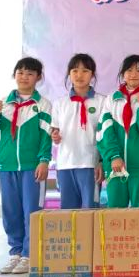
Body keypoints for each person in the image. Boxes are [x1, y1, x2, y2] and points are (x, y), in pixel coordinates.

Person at [0, 56, 52, 275]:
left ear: (38, 77)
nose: (24, 77)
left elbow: (46, 137)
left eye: (30, 73)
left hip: (32, 167)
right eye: (20, 72)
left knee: (32, 211)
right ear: (14, 75)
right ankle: (15, 252)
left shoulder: (43, 104)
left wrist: (44, 161)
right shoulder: (3, 103)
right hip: (7, 166)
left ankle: (29, 255)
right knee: (11, 211)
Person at [96, 55, 139, 208]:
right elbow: (104, 131)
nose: (133, 74)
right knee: (115, 212)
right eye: (129, 70)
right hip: (115, 165)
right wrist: (114, 156)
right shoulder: (111, 99)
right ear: (122, 73)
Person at [50, 53, 105, 210]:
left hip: (90, 164)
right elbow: (55, 130)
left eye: (85, 71)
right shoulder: (60, 103)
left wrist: (101, 162)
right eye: (75, 71)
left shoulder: (102, 101)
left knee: (90, 211)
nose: (79, 75)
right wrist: (54, 136)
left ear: (92, 75)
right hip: (65, 165)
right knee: (68, 212)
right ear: (69, 74)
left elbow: (106, 136)